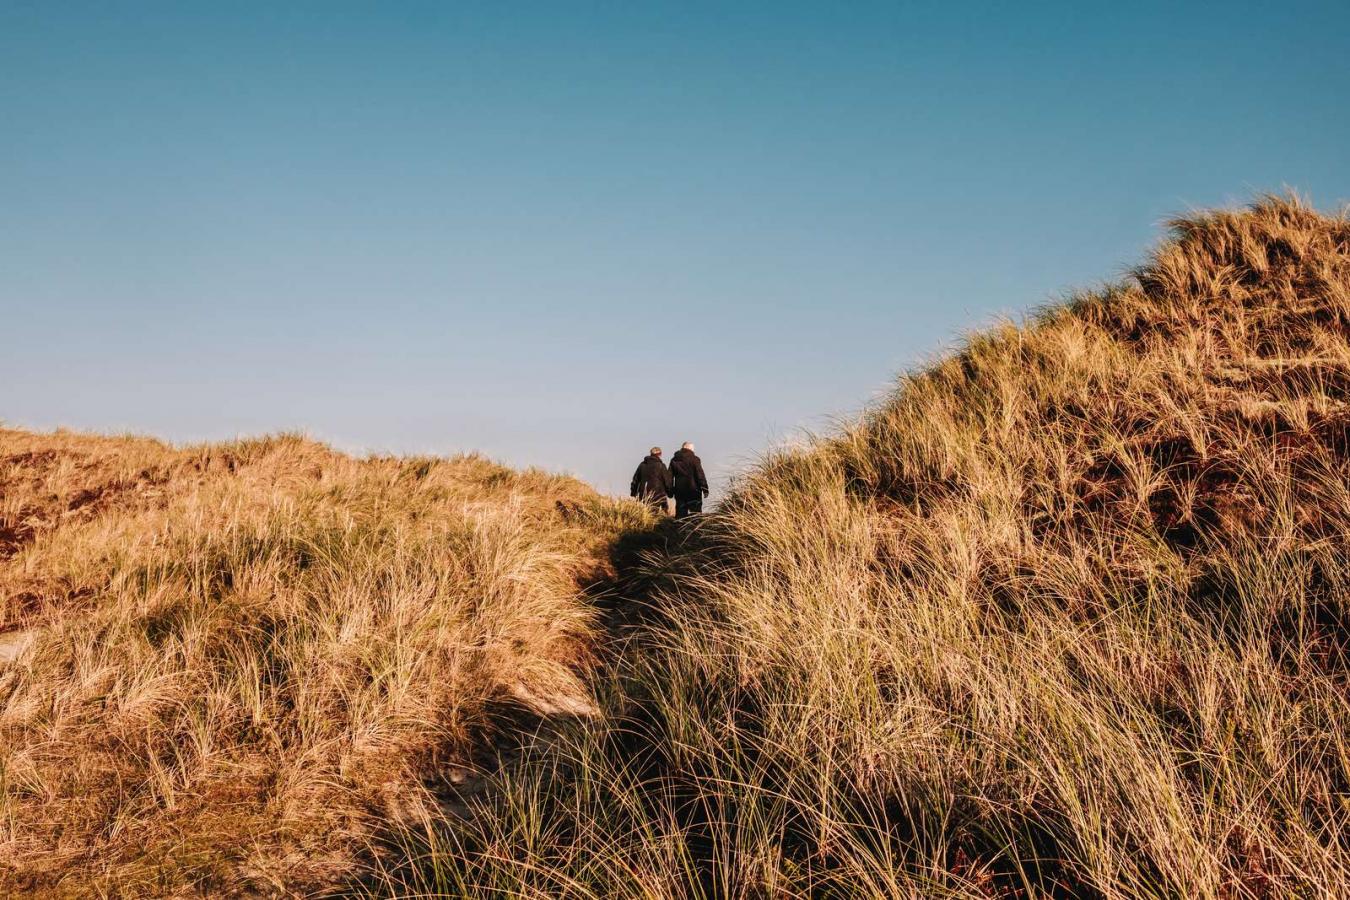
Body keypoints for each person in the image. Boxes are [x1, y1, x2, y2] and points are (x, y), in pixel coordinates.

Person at [668, 441, 708, 518]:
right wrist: (705, 489)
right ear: (690, 449)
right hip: (694, 491)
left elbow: (669, 477)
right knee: (696, 515)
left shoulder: (674, 460)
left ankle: (680, 525)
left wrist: (670, 491)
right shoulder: (695, 459)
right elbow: (700, 475)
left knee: (680, 515)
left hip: (679, 491)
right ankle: (695, 526)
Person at [630, 446, 672, 514]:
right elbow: (667, 482)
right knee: (660, 513)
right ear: (660, 454)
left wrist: (633, 493)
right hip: (658, 495)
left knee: (645, 513)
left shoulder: (642, 465)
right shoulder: (661, 466)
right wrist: (670, 493)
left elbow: (635, 480)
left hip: (643, 494)